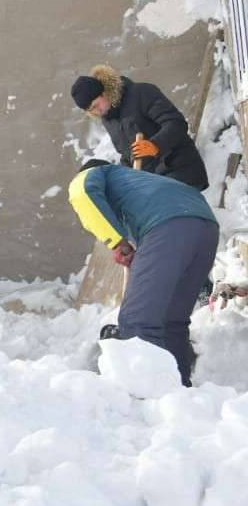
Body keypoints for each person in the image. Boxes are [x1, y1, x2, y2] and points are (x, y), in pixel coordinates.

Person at [68, 160, 218, 387]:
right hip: (206, 227)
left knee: (138, 321)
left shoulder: (93, 174)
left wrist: (117, 243)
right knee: (171, 321)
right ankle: (180, 394)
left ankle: (144, 393)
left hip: (168, 226)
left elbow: (82, 194)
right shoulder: (143, 185)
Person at [71, 65, 209, 190]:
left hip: (179, 169)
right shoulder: (109, 120)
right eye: (91, 110)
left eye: (96, 105)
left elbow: (176, 123)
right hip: (155, 184)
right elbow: (127, 155)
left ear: (104, 92)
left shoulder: (141, 93)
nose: (97, 111)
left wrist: (156, 145)